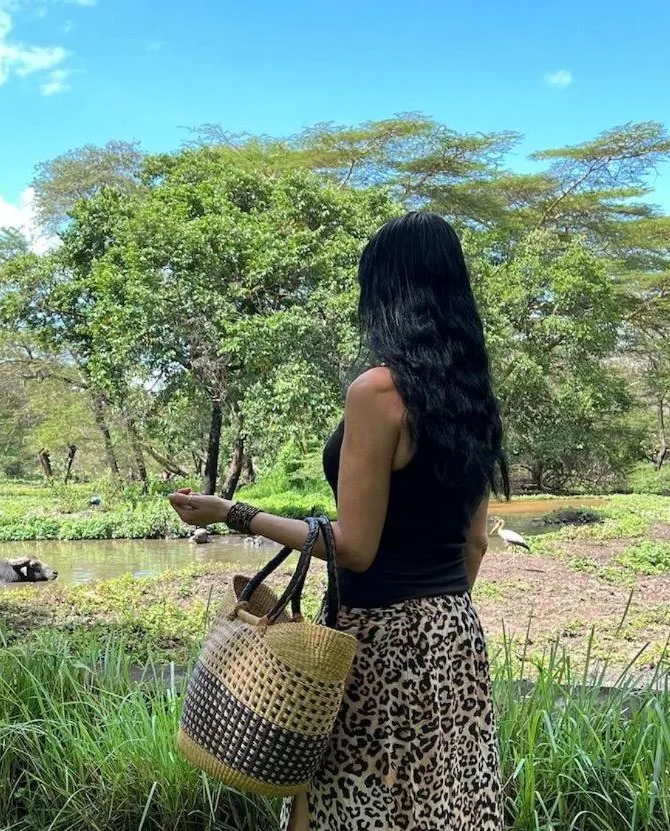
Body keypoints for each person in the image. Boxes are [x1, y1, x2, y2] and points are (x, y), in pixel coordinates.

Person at [168, 211, 507, 831]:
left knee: (338, 801)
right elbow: (476, 542)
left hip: (378, 638)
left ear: (386, 293)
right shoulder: (473, 398)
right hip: (457, 632)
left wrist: (234, 513)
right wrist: (435, 615)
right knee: (445, 802)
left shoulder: (378, 393)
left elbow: (353, 549)